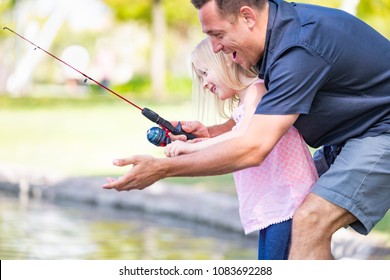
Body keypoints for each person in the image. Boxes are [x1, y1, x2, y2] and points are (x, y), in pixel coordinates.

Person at [103, 0, 390, 260]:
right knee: (297, 212)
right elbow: (259, 119)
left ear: (247, 17)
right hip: (355, 134)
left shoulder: (298, 48)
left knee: (310, 219)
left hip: (382, 130)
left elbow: (254, 148)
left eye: (217, 34)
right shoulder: (276, 40)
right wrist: (211, 133)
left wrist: (163, 169)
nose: (215, 48)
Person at [165, 37, 318, 260]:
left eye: (205, 73)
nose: (205, 84)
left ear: (225, 62)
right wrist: (198, 143)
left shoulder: (257, 90)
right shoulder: (244, 103)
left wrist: (190, 150)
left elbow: (241, 136)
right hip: (274, 206)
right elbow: (234, 135)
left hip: (288, 202)